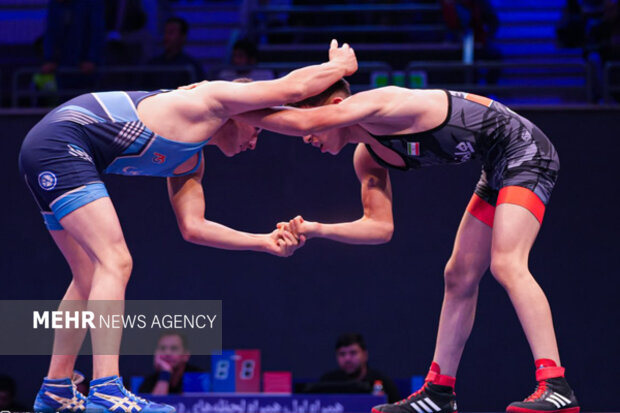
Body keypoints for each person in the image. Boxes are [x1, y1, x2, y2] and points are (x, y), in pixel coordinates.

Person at [21, 39, 356, 413]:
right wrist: (340, 67)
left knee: (88, 274)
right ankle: (106, 389)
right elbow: (294, 88)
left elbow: (194, 227)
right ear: (241, 113)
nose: (254, 142)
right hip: (62, 142)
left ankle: (56, 388)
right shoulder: (210, 100)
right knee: (115, 260)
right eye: (257, 130)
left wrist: (263, 241)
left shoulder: (189, 160)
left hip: (49, 147)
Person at [237, 80, 579, 413]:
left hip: (526, 151)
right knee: (458, 275)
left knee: (506, 263)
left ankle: (556, 385)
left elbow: (301, 122)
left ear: (336, 107)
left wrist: (230, 105)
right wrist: (317, 229)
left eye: (310, 123)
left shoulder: (380, 104)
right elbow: (379, 228)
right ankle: (439, 392)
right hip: (497, 167)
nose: (306, 137)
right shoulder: (367, 157)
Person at [318, 333, 399, 403]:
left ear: (365, 355)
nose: (347, 359)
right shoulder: (327, 383)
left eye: (353, 353)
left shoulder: (383, 383)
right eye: (342, 354)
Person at [147, 17, 205, 88]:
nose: (166, 37)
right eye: (165, 32)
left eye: (171, 32)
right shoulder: (152, 64)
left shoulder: (191, 66)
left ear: (183, 37)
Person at [138, 332, 203, 395]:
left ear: (186, 355)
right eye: (163, 348)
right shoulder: (149, 382)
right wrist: (165, 374)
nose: (167, 353)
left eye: (173, 348)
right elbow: (156, 402)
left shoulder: (200, 378)